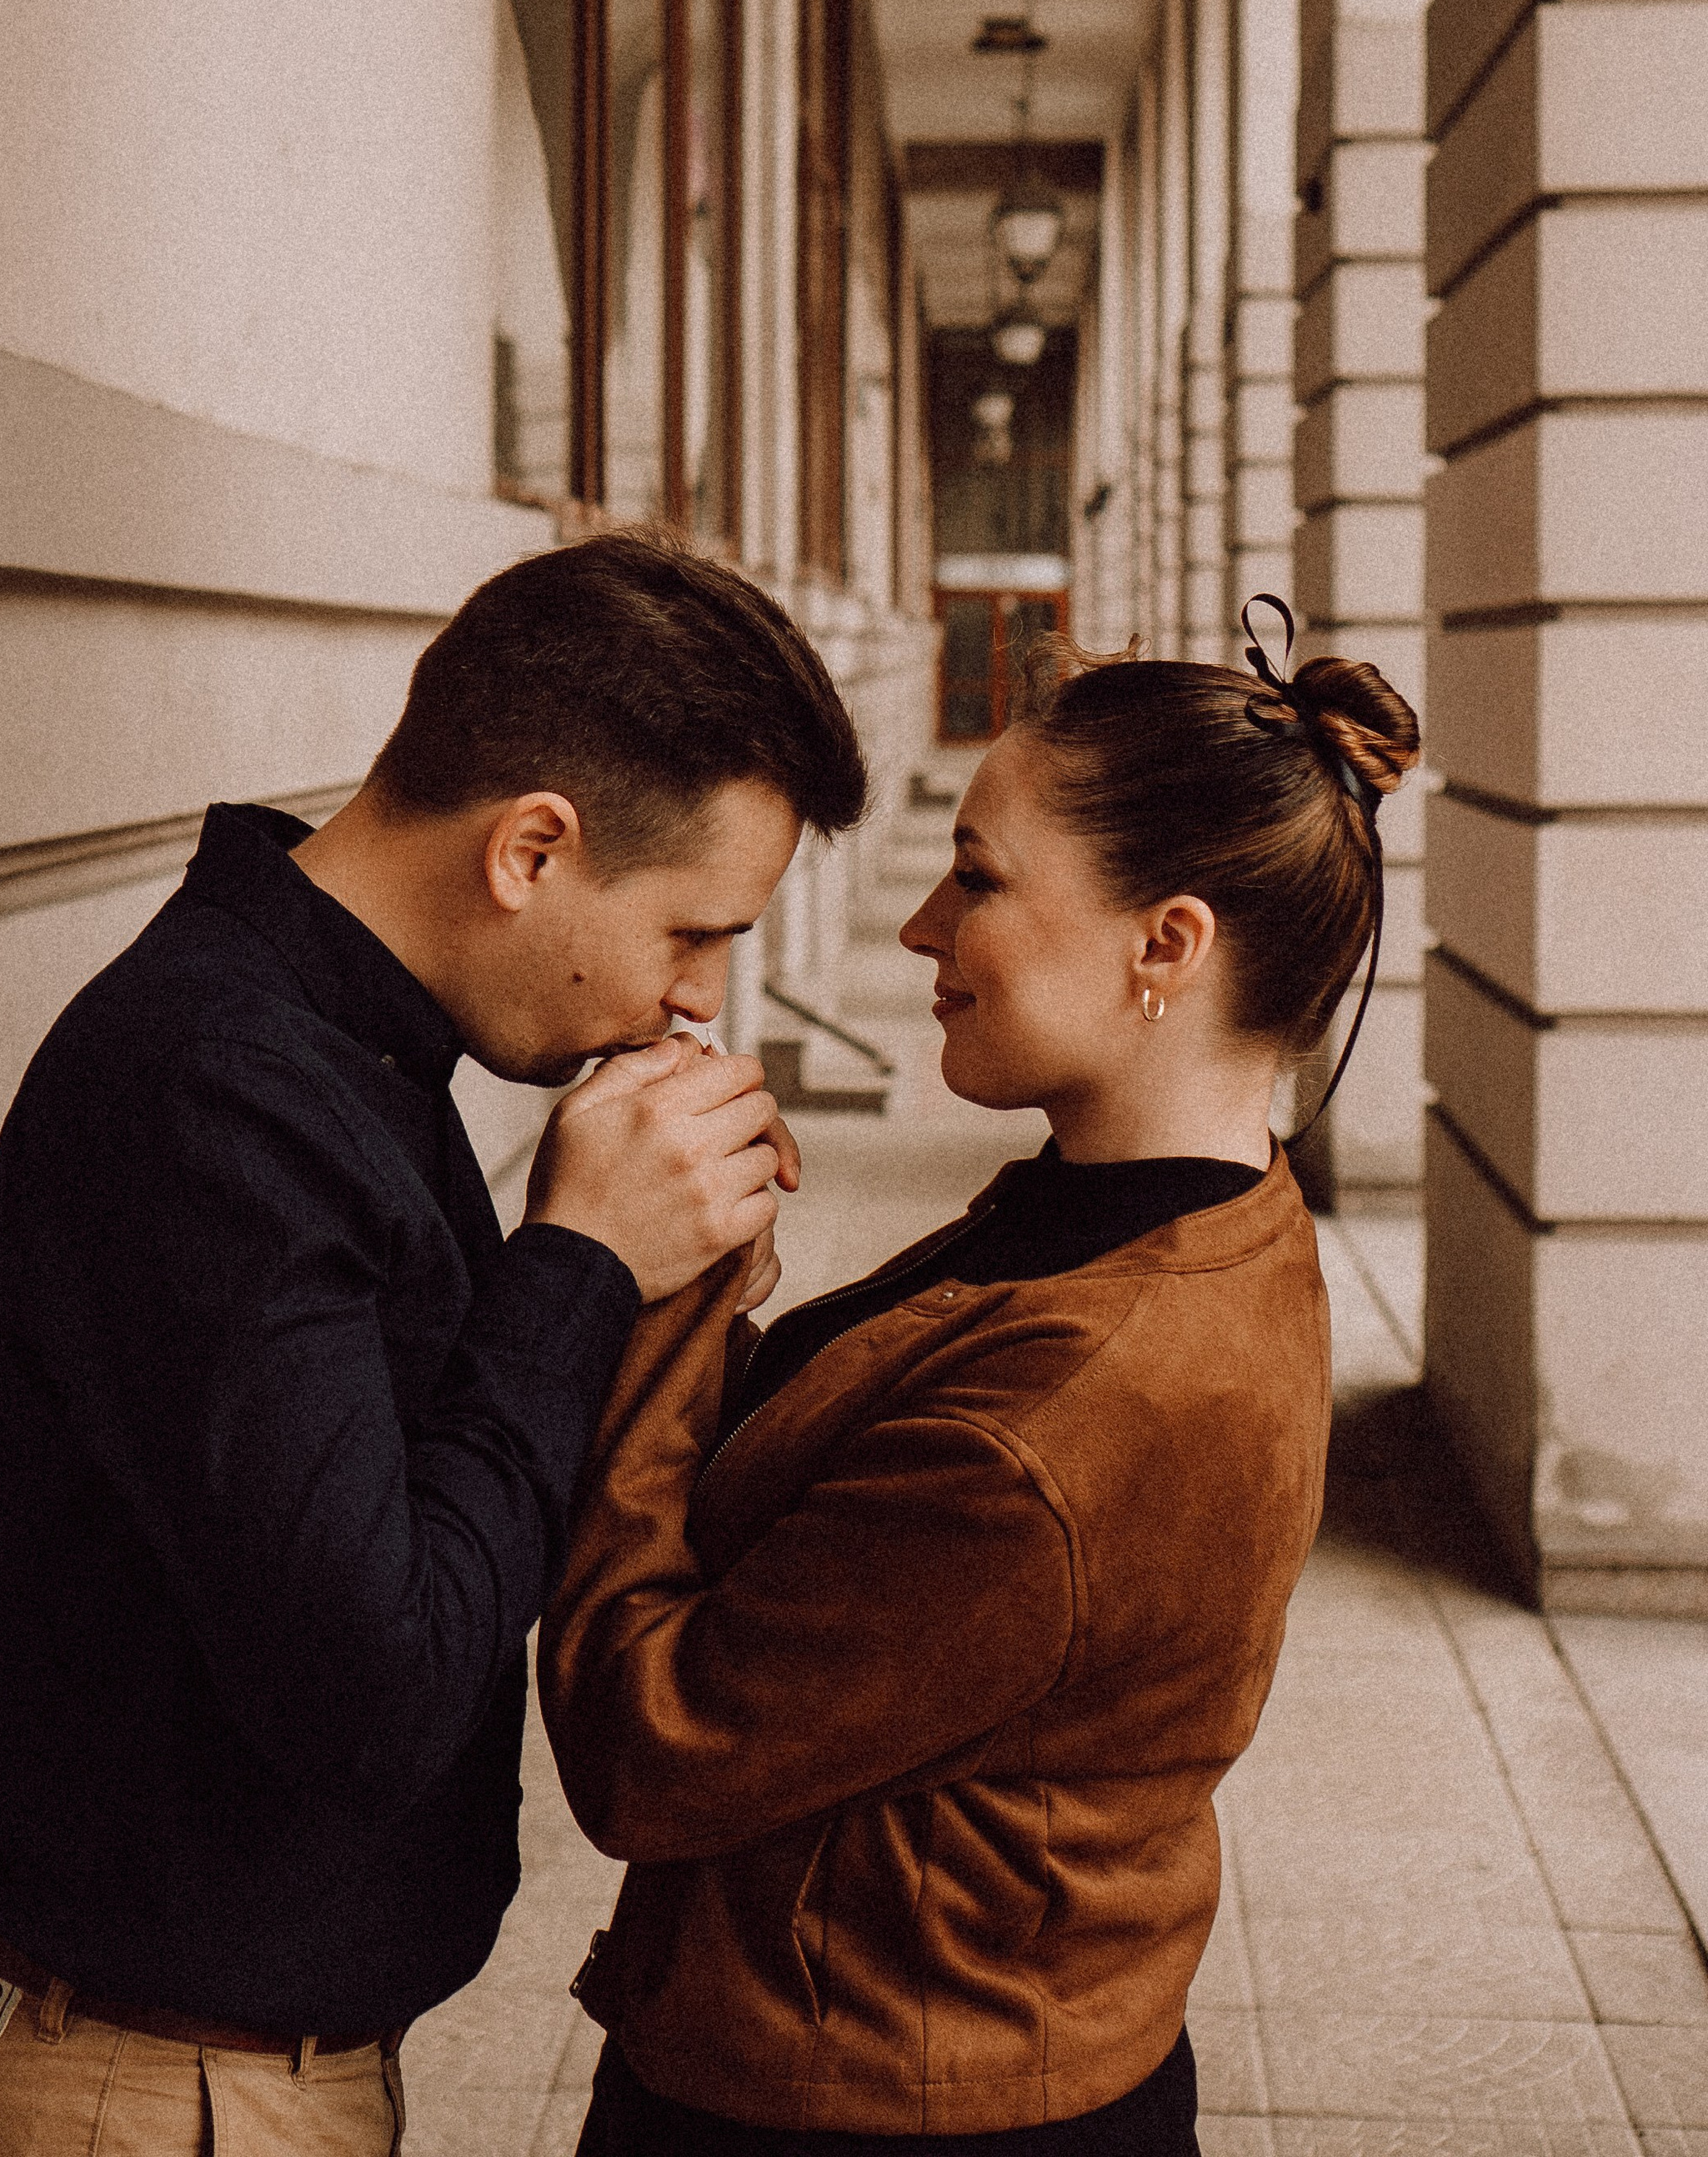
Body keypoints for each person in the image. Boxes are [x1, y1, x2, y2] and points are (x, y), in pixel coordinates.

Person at [0, 532, 867, 2157]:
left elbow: (410, 1502)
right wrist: (579, 1266)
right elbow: (373, 1693)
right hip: (125, 2092)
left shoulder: (352, 1047)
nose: (697, 1001)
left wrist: (645, 1300)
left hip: (170, 2073)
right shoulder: (222, 1090)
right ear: (531, 846)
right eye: (690, 931)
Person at [539, 617, 1420, 2156]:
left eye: (982, 877)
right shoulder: (1159, 1209)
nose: (922, 930)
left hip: (861, 2102)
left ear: (1169, 944)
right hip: (981, 2041)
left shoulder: (1081, 1402)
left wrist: (627, 1281)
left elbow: (649, 1744)